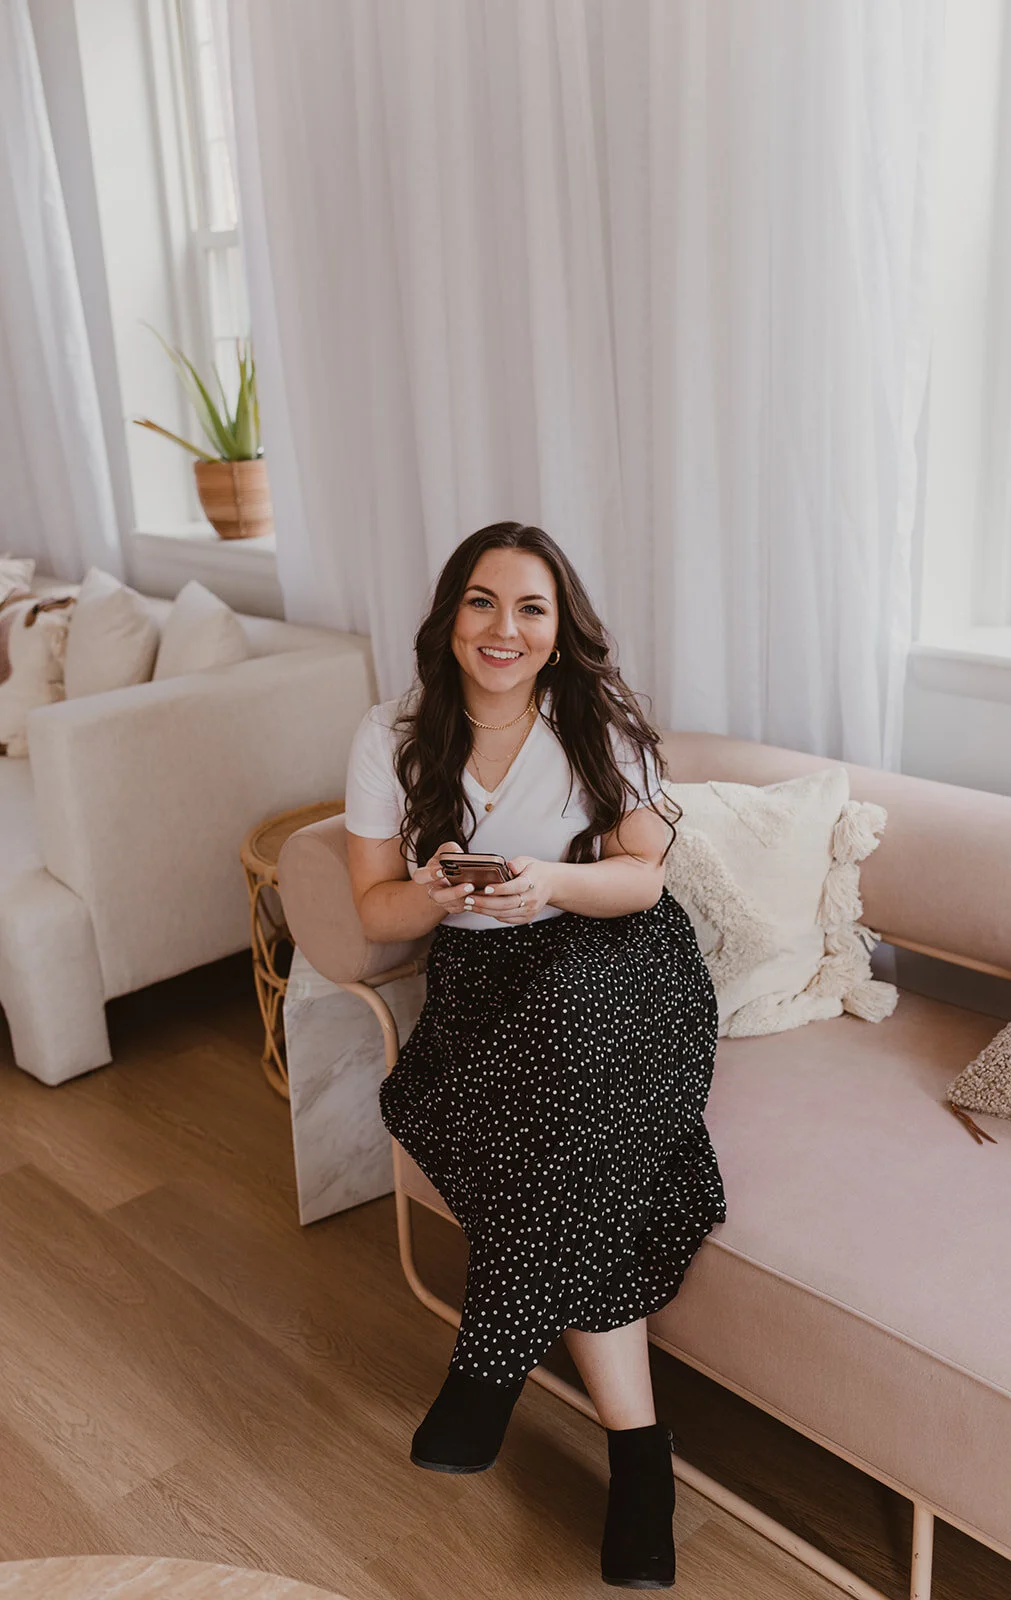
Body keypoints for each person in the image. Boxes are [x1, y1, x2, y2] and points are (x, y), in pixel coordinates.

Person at [345, 521, 726, 1589]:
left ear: (559, 630)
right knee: (553, 1129)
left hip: (617, 957)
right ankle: (641, 1462)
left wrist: (550, 882)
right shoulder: (391, 733)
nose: (502, 627)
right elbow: (373, 910)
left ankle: (489, 1362)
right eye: (481, 601)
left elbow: (642, 880)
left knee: (562, 1035)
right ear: (450, 616)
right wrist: (430, 893)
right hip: (482, 980)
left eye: (530, 607)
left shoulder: (594, 720)